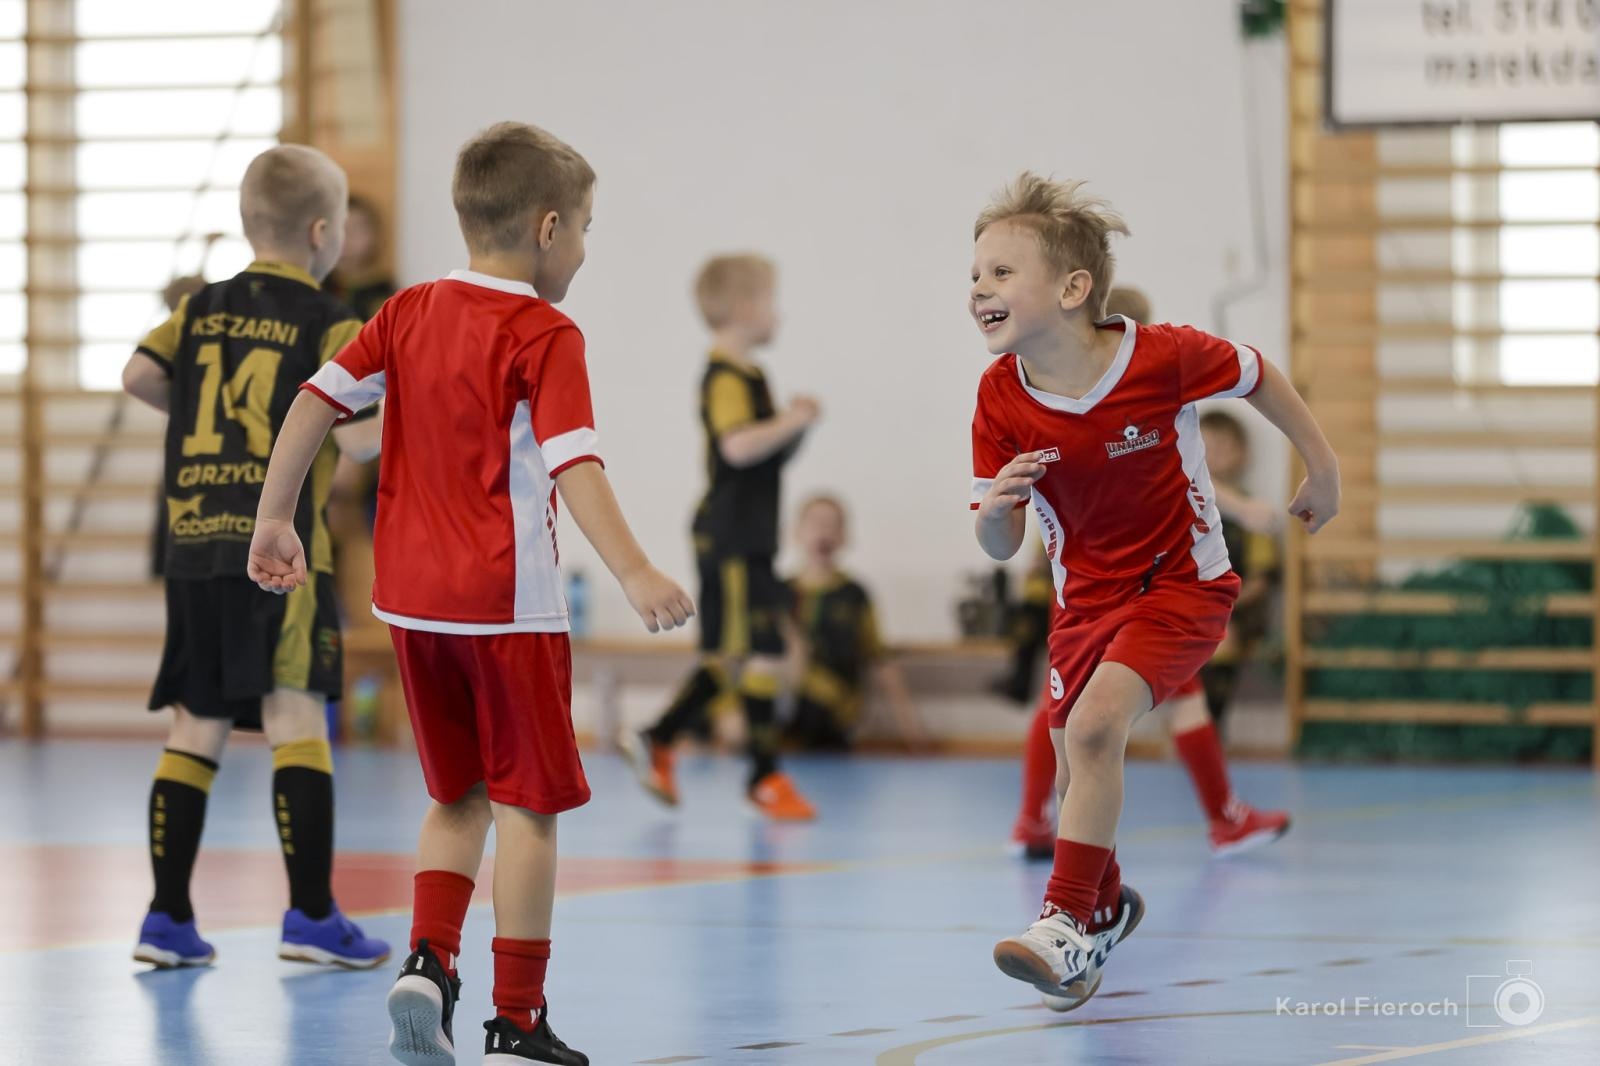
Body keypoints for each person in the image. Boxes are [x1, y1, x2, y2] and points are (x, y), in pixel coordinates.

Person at [248, 121, 693, 1066]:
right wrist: (637, 570)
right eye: (583, 227)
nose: (583, 245)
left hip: (412, 606)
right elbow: (576, 461)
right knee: (527, 810)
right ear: (545, 229)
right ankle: (518, 1017)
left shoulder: (407, 310)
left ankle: (428, 961)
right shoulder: (544, 330)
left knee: (457, 798)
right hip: (509, 609)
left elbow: (315, 400)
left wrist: (275, 517)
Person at [968, 174, 1339, 1012]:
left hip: (1182, 587)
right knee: (1078, 762)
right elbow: (997, 543)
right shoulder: (999, 397)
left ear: (1072, 289)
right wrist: (999, 509)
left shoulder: (1161, 355)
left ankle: (1062, 921)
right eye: (975, 275)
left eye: (1000, 273)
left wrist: (1324, 466)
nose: (979, 290)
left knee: (1096, 730)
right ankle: (1100, 911)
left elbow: (1258, 375)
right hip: (1082, 605)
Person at [121, 145, 389, 971]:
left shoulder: (198, 310)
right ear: (322, 233)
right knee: (295, 714)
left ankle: (166, 920)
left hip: (193, 540)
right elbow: (360, 431)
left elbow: (138, 374)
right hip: (279, 547)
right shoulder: (330, 322)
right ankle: (311, 916)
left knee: (196, 721)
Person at [1010, 287, 1291, 861]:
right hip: (1097, 585)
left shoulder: (1134, 382)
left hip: (1147, 586)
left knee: (1099, 705)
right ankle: (1049, 827)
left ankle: (1045, 823)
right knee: (1065, 708)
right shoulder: (1062, 395)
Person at [621, 254, 822, 821]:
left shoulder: (753, 375)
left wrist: (794, 428)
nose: (778, 313)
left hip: (751, 537)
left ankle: (755, 771)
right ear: (743, 309)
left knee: (761, 655)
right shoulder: (724, 375)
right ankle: (671, 741)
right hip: (729, 538)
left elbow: (766, 455)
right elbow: (736, 446)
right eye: (771, 300)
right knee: (741, 654)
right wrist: (792, 421)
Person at [784, 494, 930, 751]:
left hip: (834, 707)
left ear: (843, 536)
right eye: (815, 524)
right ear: (797, 533)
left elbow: (880, 658)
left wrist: (911, 728)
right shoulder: (780, 593)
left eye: (831, 525)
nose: (823, 532)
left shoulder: (854, 594)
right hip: (787, 695)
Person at [1197, 409, 1282, 730]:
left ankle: (1209, 727)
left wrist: (1223, 606)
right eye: (1207, 448)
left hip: (1237, 610)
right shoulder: (1184, 505)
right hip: (1189, 606)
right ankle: (1187, 728)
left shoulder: (1253, 511)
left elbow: (1261, 580)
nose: (1214, 457)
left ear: (1241, 454)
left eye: (1223, 448)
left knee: (1222, 636)